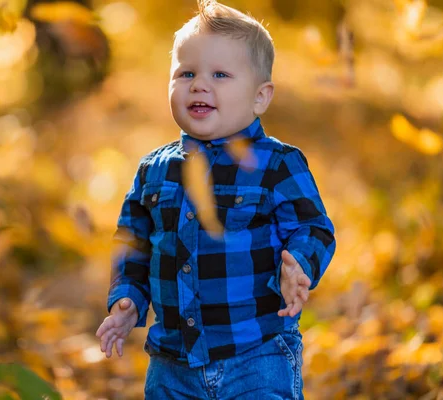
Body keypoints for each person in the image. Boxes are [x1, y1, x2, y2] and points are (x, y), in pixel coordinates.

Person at [96, 0, 336, 398]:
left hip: (257, 355)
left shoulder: (277, 165)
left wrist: (300, 264)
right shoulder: (153, 170)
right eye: (186, 73)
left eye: (220, 74)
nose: (199, 84)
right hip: (172, 365)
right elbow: (132, 242)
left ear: (260, 97)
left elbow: (313, 227)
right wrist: (127, 300)